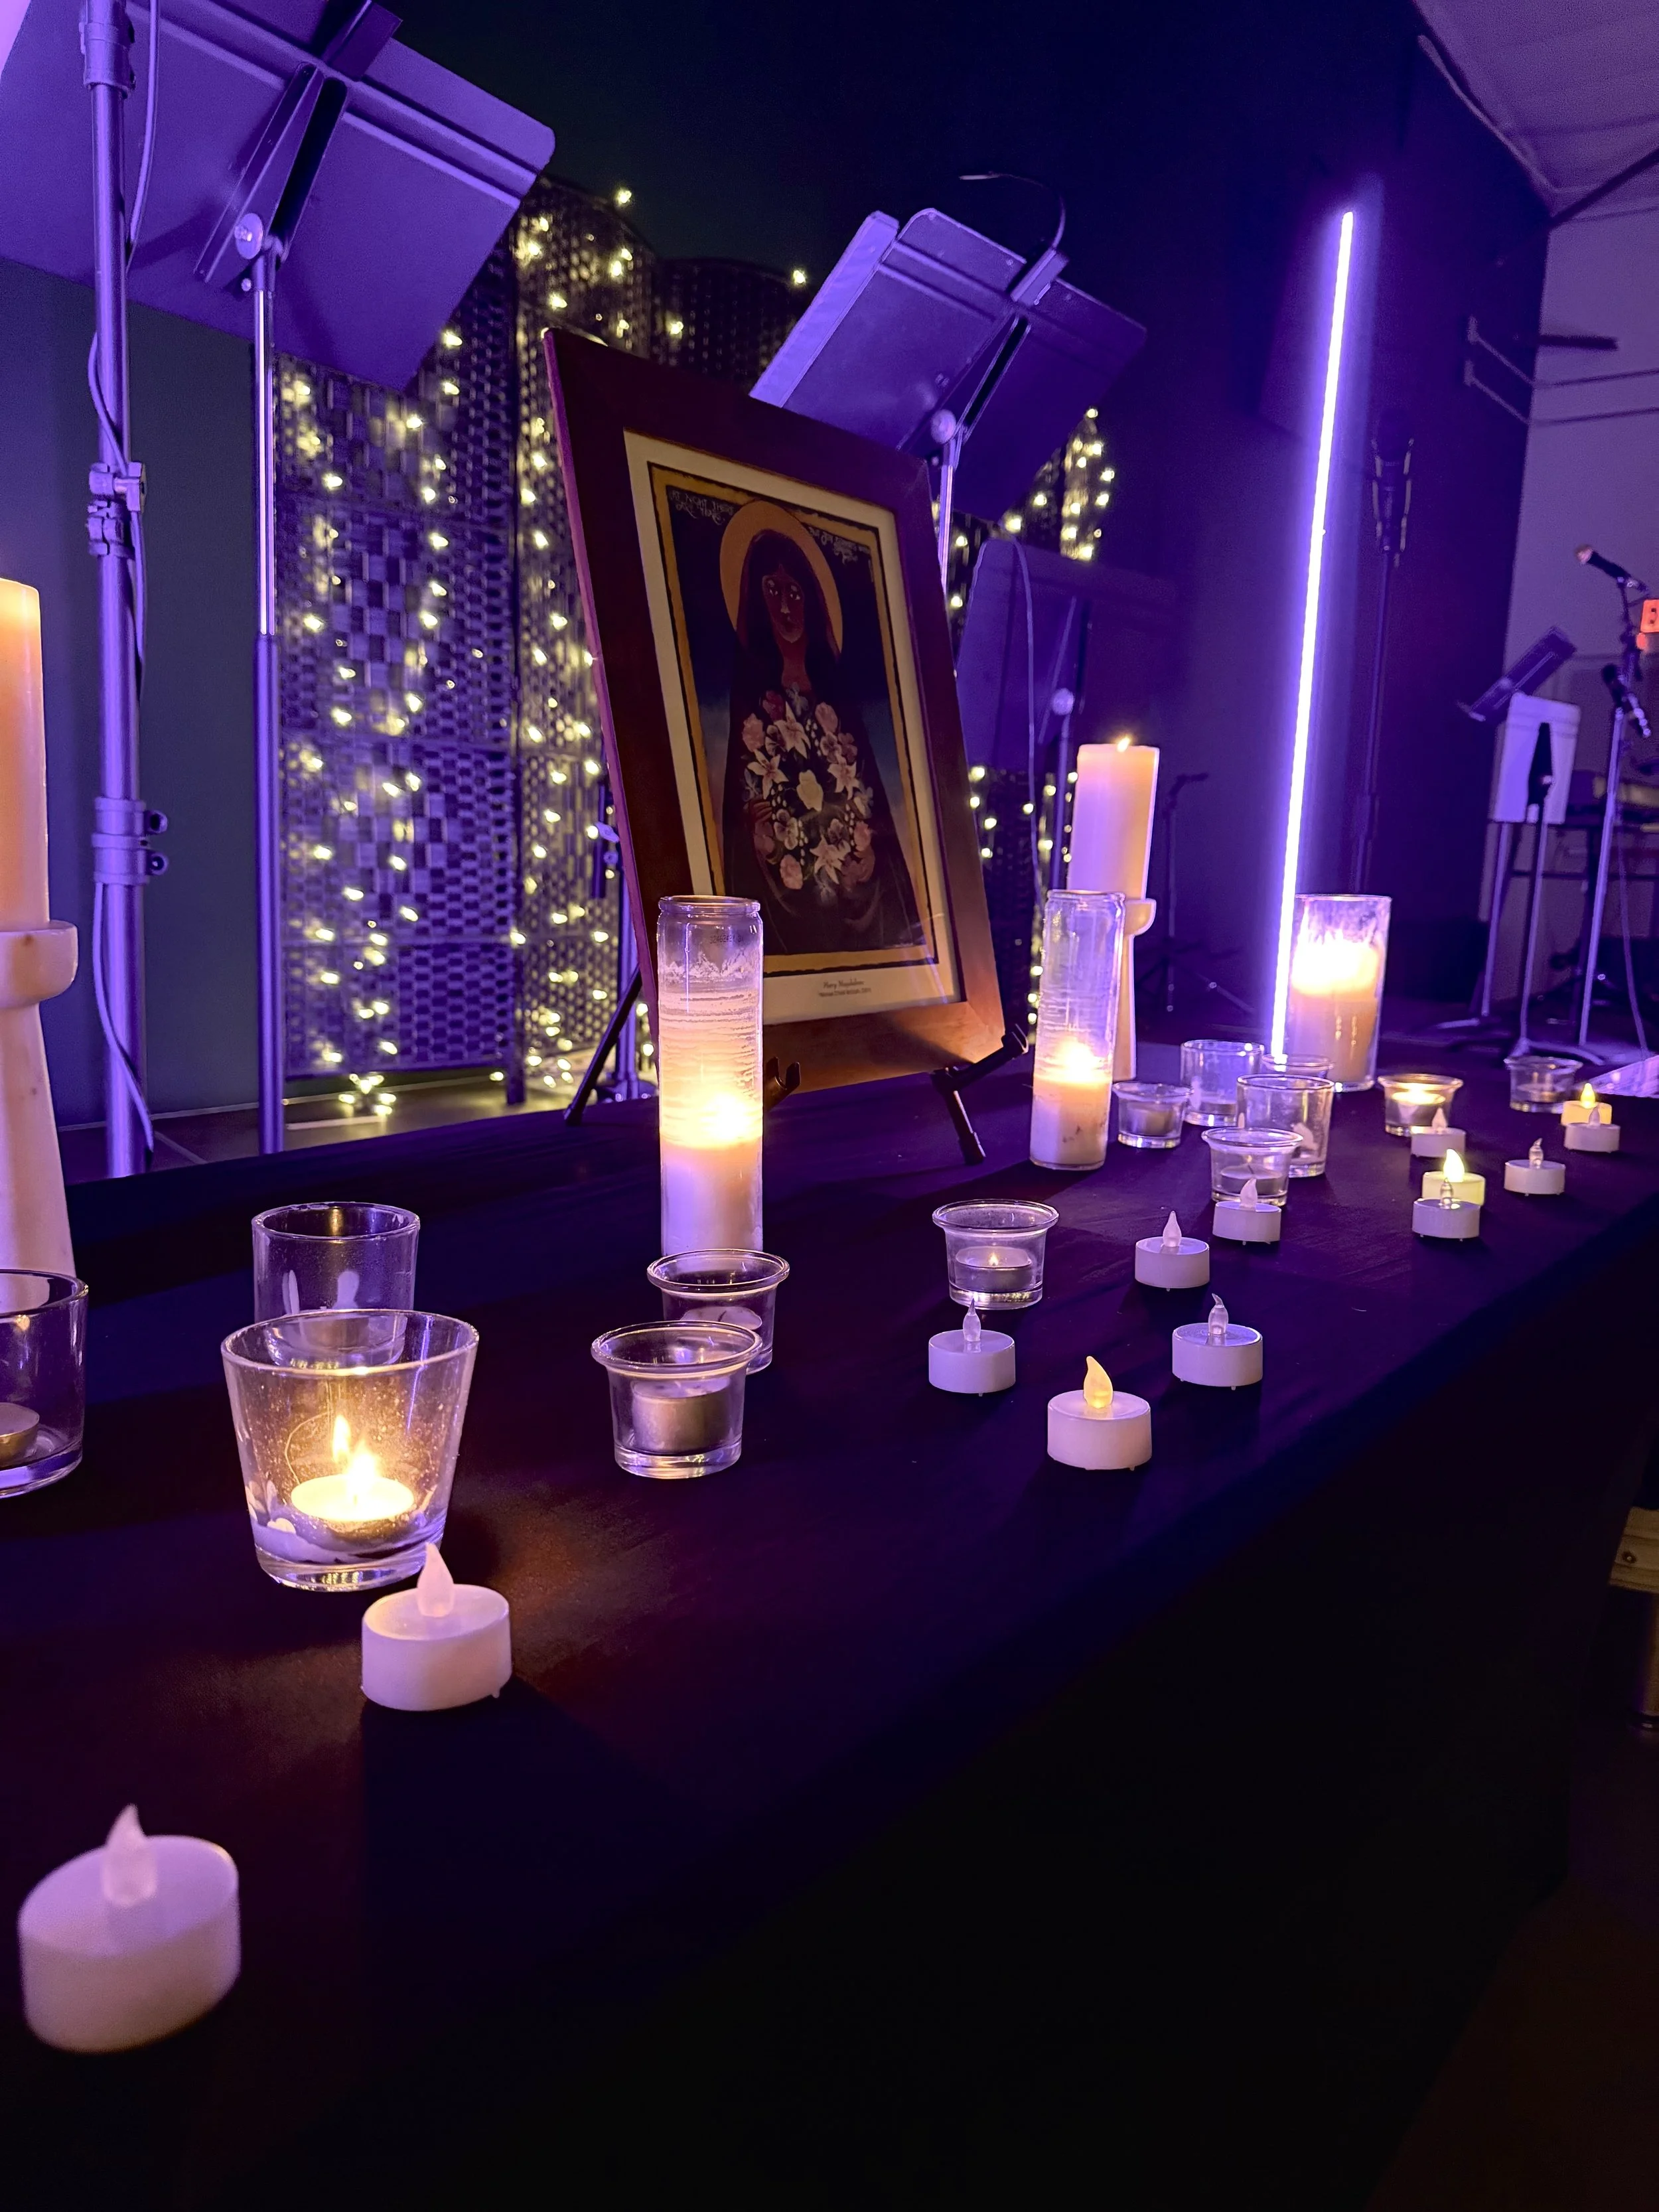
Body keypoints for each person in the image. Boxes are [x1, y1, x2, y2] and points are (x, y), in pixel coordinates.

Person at [721, 526, 923, 958]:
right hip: (783, 904)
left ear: (811, 601)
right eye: (773, 590)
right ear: (757, 601)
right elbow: (741, 811)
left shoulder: (837, 700)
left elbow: (871, 804)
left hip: (849, 899)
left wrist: (869, 861)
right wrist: (761, 838)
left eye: (794, 592)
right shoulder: (752, 699)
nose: (785, 606)